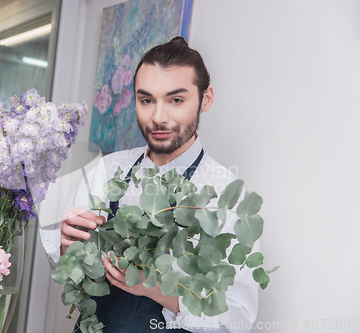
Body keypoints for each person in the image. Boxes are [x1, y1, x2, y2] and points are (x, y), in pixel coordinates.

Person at [40, 37, 259, 333]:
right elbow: (67, 274)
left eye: (176, 100)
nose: (158, 117)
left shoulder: (226, 194)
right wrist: (70, 250)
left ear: (205, 99)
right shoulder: (108, 170)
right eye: (146, 100)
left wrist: (156, 290)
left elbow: (238, 317)